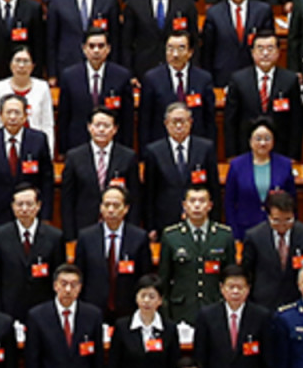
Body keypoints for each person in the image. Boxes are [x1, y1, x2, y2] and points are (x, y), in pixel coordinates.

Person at [193, 264, 276, 368]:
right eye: (231, 287)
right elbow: (200, 359)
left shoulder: (261, 316)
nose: (235, 291)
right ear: (221, 288)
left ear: (248, 289)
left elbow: (269, 361)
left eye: (240, 287)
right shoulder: (207, 316)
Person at [24, 263, 104, 368]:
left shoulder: (93, 315)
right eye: (64, 284)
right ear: (55, 286)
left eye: (73, 285)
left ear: (80, 288)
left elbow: (98, 361)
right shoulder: (37, 316)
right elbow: (32, 361)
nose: (68, 290)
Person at [0, 91, 55, 235]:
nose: (12, 117)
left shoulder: (38, 140)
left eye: (17, 112)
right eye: (8, 112)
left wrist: (45, 216)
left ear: (25, 115)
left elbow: (47, 181)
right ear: (0, 115)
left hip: (30, 214)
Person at [142, 99, 222, 238]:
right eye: (174, 122)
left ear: (190, 123)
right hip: (166, 220)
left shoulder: (205, 148)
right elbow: (149, 193)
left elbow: (213, 188)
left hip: (200, 219)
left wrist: (214, 220)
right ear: (166, 124)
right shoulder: (153, 151)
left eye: (183, 121)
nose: (179, 126)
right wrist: (151, 226)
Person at [60, 106, 141, 240]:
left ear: (115, 129)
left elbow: (135, 198)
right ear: (89, 127)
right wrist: (70, 235)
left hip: (119, 227)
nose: (101, 130)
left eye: (106, 126)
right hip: (84, 226)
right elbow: (67, 201)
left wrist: (132, 229)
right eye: (97, 125)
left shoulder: (128, 157)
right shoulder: (74, 157)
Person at [0, 184, 65, 321]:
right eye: (20, 204)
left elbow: (58, 276)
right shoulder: (0, 236)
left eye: (29, 204)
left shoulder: (54, 237)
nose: (24, 209)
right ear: (12, 207)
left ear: (38, 206)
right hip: (9, 309)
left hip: (44, 309)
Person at [156, 186, 235, 322]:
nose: (197, 205)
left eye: (202, 201)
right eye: (192, 201)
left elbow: (231, 275)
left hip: (214, 306)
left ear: (210, 205)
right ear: (185, 205)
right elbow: (164, 279)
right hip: (181, 309)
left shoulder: (224, 235)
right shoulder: (171, 236)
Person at [224, 29, 303, 160]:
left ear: (278, 52)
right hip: (246, 150)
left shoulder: (290, 80)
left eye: (270, 48)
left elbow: (296, 122)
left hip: (281, 151)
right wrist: (232, 154)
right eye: (260, 49)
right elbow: (230, 121)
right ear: (252, 53)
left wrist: (293, 155)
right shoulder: (238, 80)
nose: (265, 53)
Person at [105, 275, 179, 368]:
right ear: (136, 298)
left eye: (151, 296)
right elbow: (113, 367)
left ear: (160, 300)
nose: (146, 301)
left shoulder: (169, 329)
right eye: (143, 295)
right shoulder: (122, 327)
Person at [121, 0, 198, 82]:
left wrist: (193, 71)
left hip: (178, 70)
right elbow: (126, 43)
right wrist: (130, 74)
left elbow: (194, 40)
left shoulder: (185, 0)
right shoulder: (134, 1)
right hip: (143, 72)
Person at [45, 0, 121, 80]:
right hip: (67, 65)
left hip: (101, 67)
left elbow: (115, 39)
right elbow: (51, 40)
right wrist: (52, 73)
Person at [56, 28, 134, 152]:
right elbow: (64, 116)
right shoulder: (69, 76)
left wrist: (127, 148)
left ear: (108, 49)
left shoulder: (122, 76)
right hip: (78, 144)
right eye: (91, 46)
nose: (96, 50)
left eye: (101, 46)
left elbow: (127, 118)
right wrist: (63, 149)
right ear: (84, 49)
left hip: (113, 145)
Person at [240, 190, 303, 311]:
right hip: (263, 304)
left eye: (288, 220)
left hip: (296, 303)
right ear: (268, 216)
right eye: (276, 220)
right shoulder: (254, 236)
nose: (282, 225)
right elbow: (247, 272)